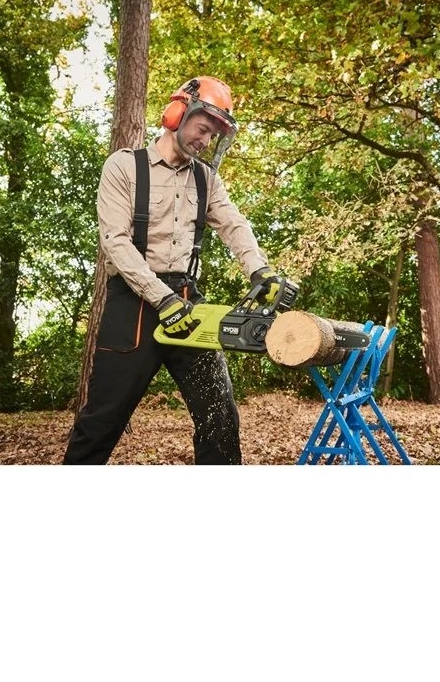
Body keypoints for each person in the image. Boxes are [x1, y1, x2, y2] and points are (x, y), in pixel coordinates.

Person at [64, 76, 287, 465]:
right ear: (177, 114)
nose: (205, 140)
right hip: (133, 304)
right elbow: (116, 242)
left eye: (213, 135)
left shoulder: (206, 178)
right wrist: (161, 298)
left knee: (220, 415)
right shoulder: (124, 166)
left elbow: (233, 225)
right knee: (102, 420)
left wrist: (259, 270)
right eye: (203, 128)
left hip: (186, 302)